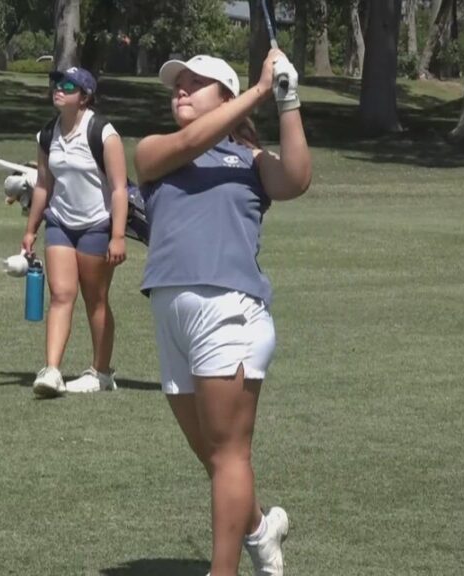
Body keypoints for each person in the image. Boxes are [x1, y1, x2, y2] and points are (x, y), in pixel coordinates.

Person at [134, 52, 311, 576]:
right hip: (170, 314)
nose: (181, 91)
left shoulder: (252, 161)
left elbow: (296, 179)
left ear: (226, 97)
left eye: (196, 84)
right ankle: (261, 527)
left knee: (229, 454)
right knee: (217, 458)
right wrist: (259, 91)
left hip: (229, 308)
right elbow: (190, 144)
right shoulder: (154, 150)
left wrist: (287, 97)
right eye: (178, 85)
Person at [21, 67, 129, 398]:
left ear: (84, 96)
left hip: (97, 224)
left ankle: (101, 372)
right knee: (61, 295)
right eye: (56, 83)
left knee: (95, 300)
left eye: (68, 86)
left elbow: (119, 188)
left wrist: (118, 235)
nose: (58, 89)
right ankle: (52, 370)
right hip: (61, 224)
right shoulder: (47, 134)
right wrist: (31, 229)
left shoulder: (103, 132)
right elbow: (43, 184)